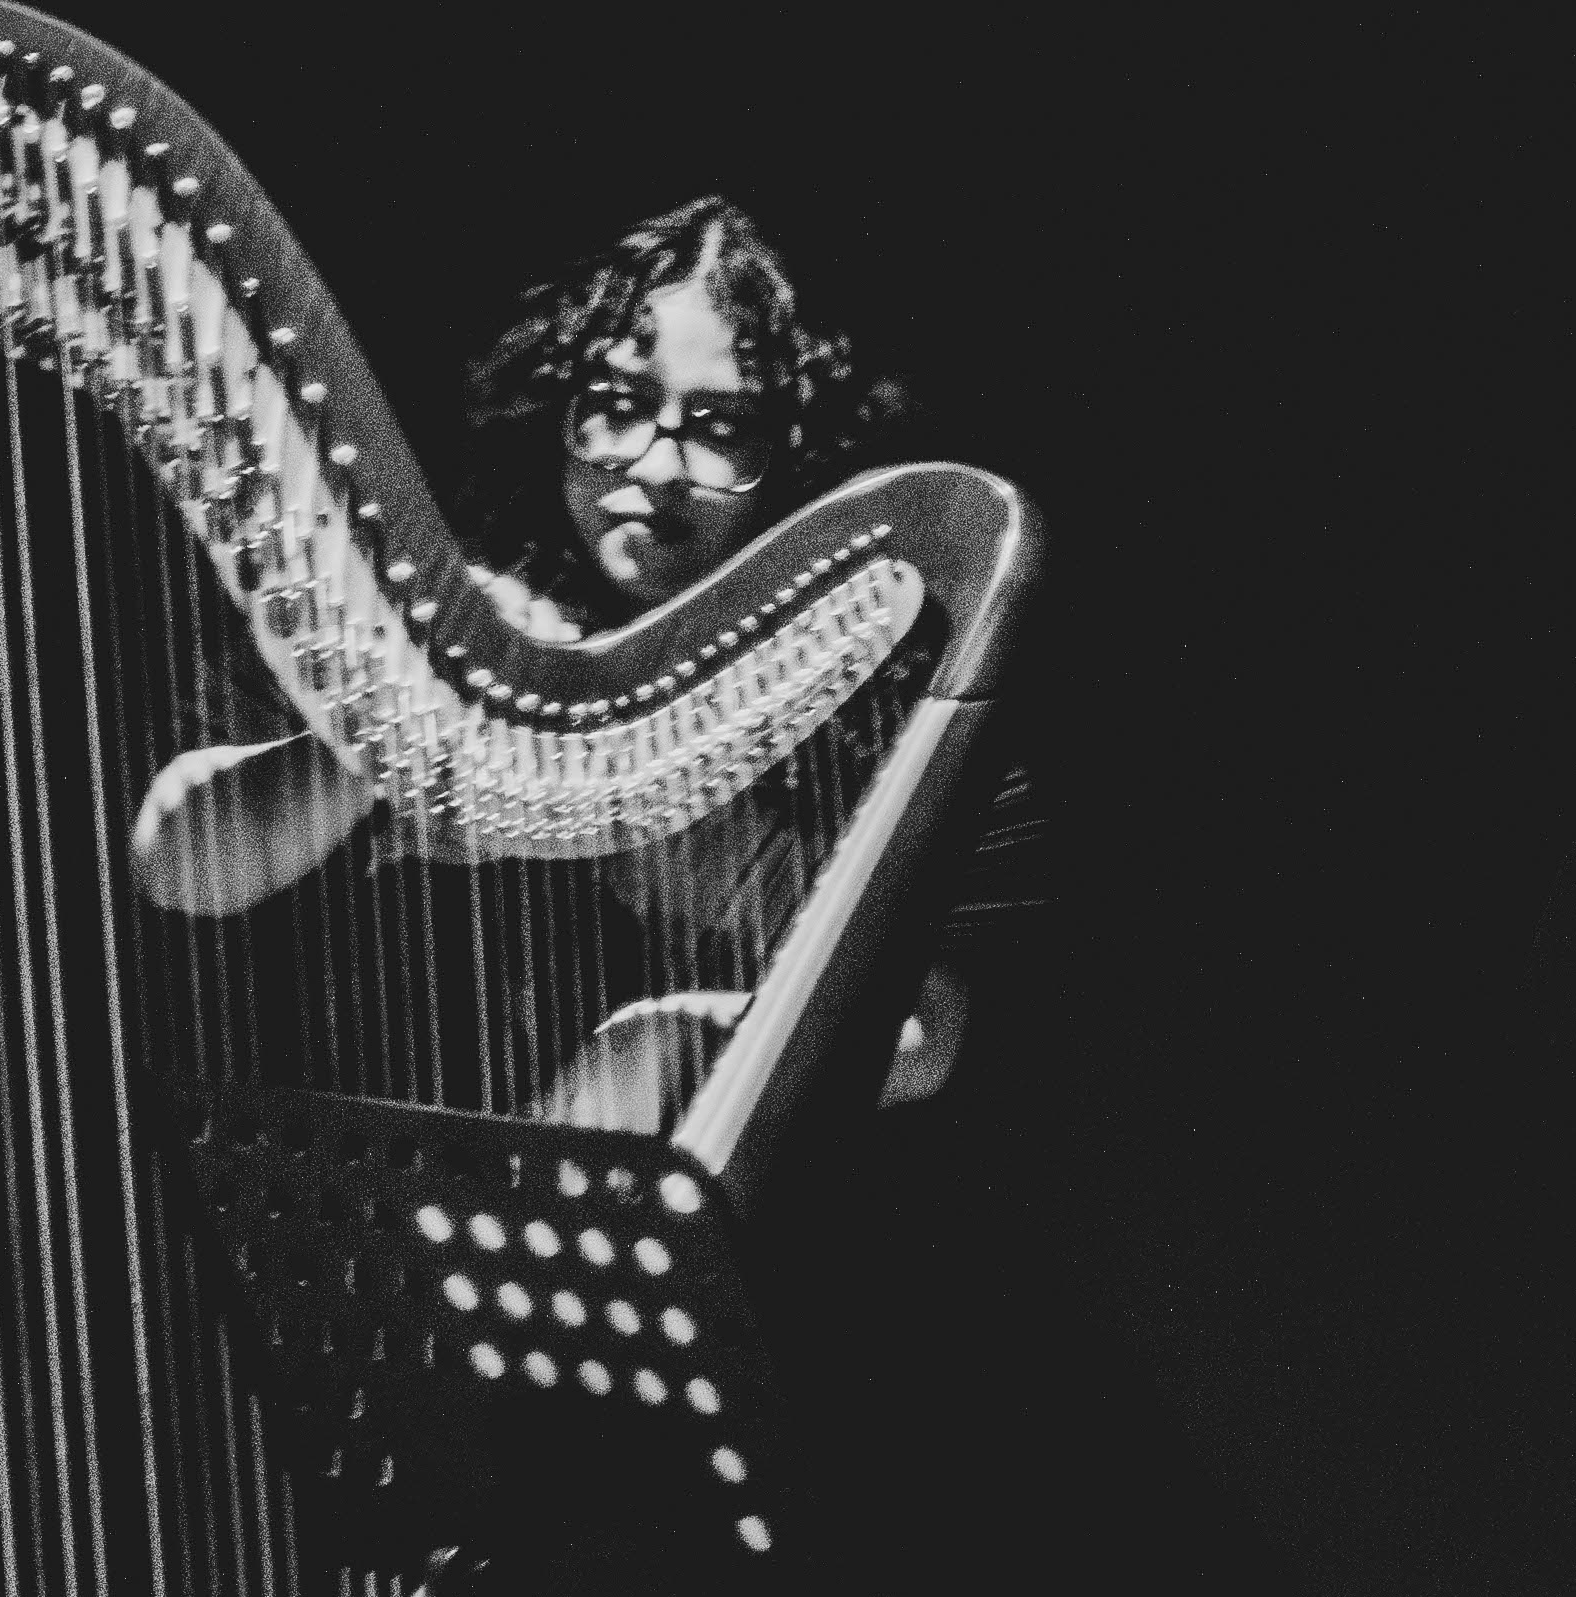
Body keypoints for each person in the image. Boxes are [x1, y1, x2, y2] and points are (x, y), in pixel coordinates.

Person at [128, 194, 1007, 1121]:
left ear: (796, 451)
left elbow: (931, 1036)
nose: (656, 466)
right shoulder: (409, 614)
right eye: (619, 408)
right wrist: (399, 726)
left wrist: (677, 1042)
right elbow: (175, 861)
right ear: (555, 411)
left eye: (720, 429)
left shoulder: (891, 688)